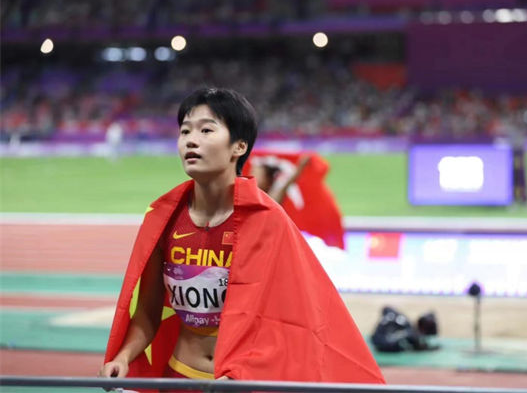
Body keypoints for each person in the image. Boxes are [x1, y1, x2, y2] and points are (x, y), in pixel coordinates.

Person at [99, 87, 385, 386]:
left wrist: (246, 372)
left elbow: (291, 320)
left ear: (239, 146)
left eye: (206, 130)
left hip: (243, 384)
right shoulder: (164, 219)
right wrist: (123, 357)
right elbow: (147, 314)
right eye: (185, 131)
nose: (191, 140)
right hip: (179, 378)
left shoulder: (268, 222)